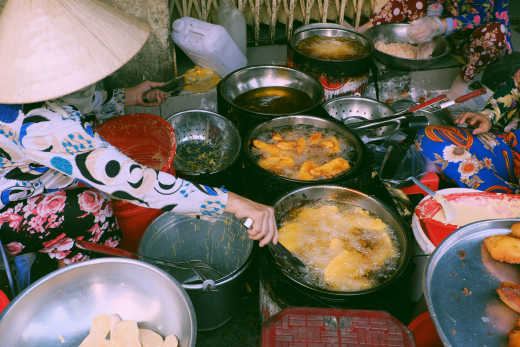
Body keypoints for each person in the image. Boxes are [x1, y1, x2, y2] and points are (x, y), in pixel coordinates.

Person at [0, 0, 277, 287]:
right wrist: (236, 204)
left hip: (30, 173)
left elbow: (75, 104)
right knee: (94, 208)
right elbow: (137, 184)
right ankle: (87, 283)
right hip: (10, 211)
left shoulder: (20, 76)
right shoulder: (40, 125)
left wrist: (127, 97)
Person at [415, 68, 520, 193]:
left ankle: (500, 201)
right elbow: (515, 88)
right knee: (429, 137)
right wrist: (488, 116)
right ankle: (500, 195)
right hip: (510, 150)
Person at [408, 0, 512, 99]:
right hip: (452, 35)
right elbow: (436, 3)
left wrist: (439, 26)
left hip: (483, 43)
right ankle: (436, 42)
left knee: (494, 33)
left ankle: (463, 79)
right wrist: (430, 22)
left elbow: (482, 16)